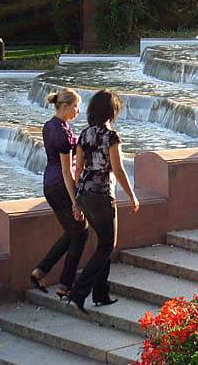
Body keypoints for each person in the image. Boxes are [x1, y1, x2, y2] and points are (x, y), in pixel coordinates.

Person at [68, 89, 139, 313]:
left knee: (102, 244)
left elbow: (77, 169)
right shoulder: (111, 136)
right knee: (108, 245)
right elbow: (118, 170)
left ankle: (101, 294)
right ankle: (79, 292)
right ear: (112, 111)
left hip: (85, 195)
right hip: (102, 195)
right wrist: (133, 196)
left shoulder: (84, 134)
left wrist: (76, 202)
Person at [31, 88, 89, 300]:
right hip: (60, 185)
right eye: (75, 106)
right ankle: (65, 283)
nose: (77, 111)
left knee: (73, 232)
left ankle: (41, 271)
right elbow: (67, 171)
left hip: (49, 183)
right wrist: (75, 201)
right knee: (81, 232)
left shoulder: (50, 126)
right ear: (64, 106)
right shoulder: (63, 134)